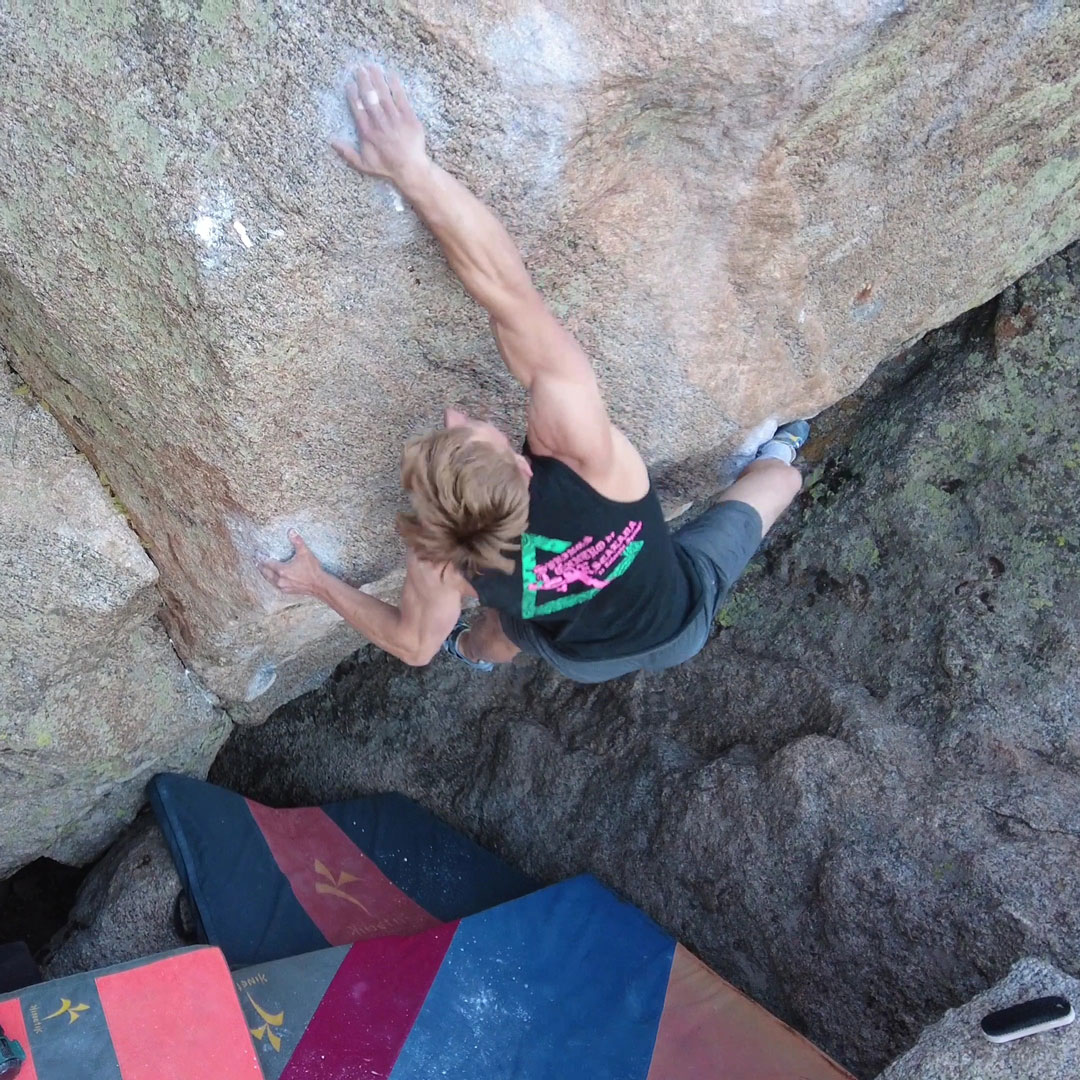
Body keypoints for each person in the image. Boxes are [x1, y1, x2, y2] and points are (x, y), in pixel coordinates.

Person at [258, 64, 809, 682]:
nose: (454, 414)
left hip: (581, 655)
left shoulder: (443, 563)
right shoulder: (588, 465)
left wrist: (315, 583)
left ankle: (470, 653)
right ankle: (783, 447)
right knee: (777, 483)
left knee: (509, 631)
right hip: (677, 614)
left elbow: (413, 645)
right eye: (469, 429)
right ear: (524, 469)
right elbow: (508, 293)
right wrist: (413, 171)